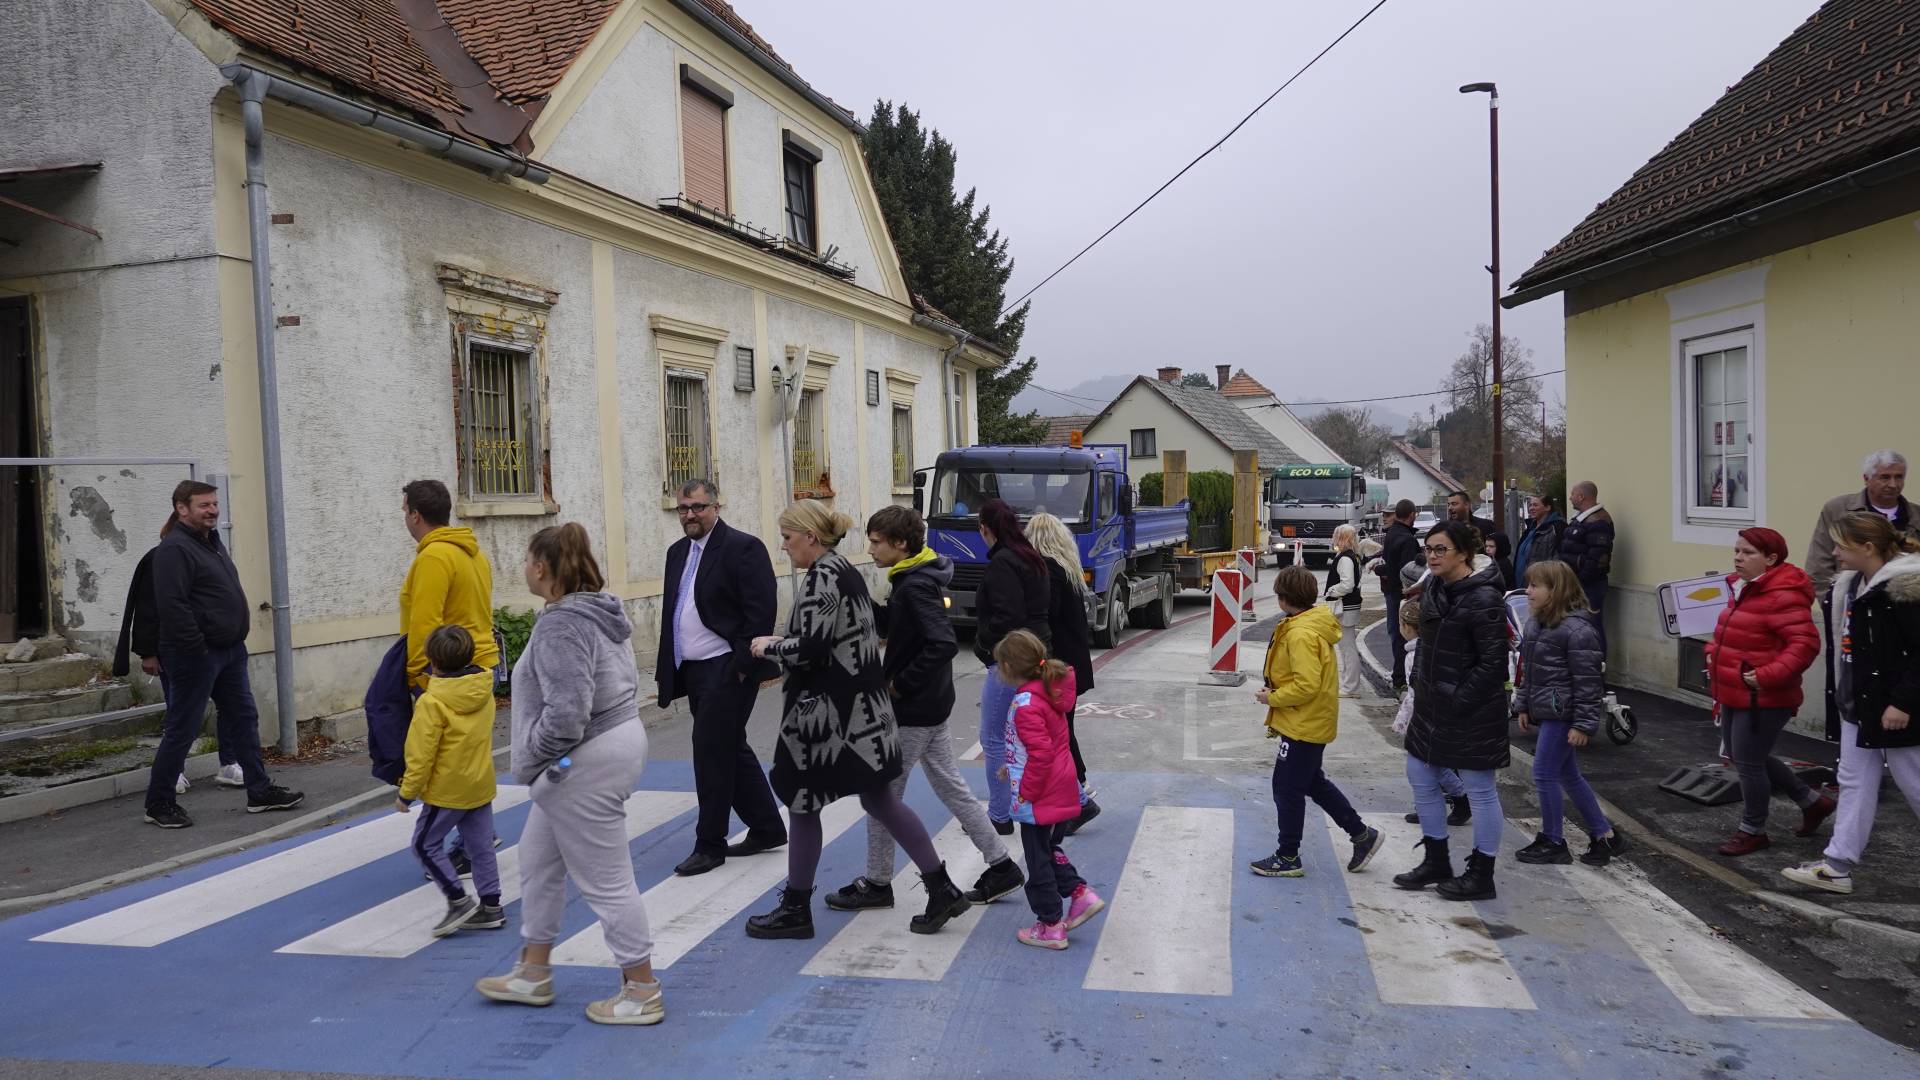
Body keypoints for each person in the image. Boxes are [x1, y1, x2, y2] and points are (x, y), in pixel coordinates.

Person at [744, 502, 971, 940]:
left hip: (827, 720)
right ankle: (941, 888)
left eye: (788, 537)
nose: (783, 545)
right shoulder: (843, 571)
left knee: (804, 803)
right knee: (879, 800)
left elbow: (812, 649)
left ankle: (796, 909)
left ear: (810, 536)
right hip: (863, 714)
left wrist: (770, 646)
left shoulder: (823, 577)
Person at [476, 523, 662, 1026]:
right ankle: (533, 971)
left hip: (583, 758)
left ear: (541, 568)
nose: (524, 568)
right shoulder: (599, 611)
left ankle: (642, 989)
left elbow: (568, 712)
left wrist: (532, 759)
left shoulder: (561, 624)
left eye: (527, 560)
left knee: (607, 879)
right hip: (612, 743)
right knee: (538, 859)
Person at [824, 506, 1024, 913]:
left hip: (913, 709)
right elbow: (898, 628)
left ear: (900, 544)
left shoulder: (914, 585)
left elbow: (942, 643)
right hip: (932, 704)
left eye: (876, 542)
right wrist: (862, 602)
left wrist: (900, 683)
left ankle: (878, 882)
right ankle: (1002, 865)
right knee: (951, 787)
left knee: (882, 797)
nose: (871, 549)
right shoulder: (914, 577)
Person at [141, 481, 302, 828]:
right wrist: (198, 649)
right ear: (181, 508)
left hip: (230, 652)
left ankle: (259, 791)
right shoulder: (174, 549)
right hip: (196, 655)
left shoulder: (211, 542)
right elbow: (173, 606)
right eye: (204, 505)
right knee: (183, 729)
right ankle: (159, 803)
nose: (213, 510)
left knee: (244, 717)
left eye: (214, 504)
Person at [1782, 513, 1920, 894]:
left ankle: (1837, 866)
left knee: (1915, 784)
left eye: (1841, 545)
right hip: (1859, 706)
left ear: (1868, 548)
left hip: (1897, 710)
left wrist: (1903, 703)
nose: (1834, 553)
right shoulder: (1851, 585)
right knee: (1853, 782)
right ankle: (1837, 867)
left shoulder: (1905, 590)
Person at [656, 479, 787, 878]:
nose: (690, 515)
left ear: (715, 507)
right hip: (693, 669)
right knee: (729, 746)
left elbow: (760, 610)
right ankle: (767, 827)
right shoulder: (677, 552)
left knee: (710, 750)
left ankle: (709, 844)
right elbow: (675, 610)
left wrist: (742, 666)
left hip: (727, 667)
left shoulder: (742, 547)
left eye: (698, 507)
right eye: (683, 508)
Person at [1394, 520, 1508, 900]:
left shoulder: (1485, 598)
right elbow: (1427, 643)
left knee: (1480, 789)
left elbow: (1494, 664)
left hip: (1472, 711)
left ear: (1463, 553)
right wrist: (1420, 684)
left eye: (1440, 549)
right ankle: (1436, 859)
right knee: (1419, 773)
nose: (1431, 556)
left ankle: (1482, 874)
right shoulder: (1435, 587)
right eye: (1428, 548)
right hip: (1431, 704)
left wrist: (1458, 699)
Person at [1702, 527, 1834, 857]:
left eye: (1748, 553)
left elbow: (1805, 645)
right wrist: (1713, 650)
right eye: (1737, 550)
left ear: (1771, 558)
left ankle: (1753, 831)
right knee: (1744, 756)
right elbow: (1732, 632)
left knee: (1748, 762)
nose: (1738, 558)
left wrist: (1765, 676)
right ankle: (1812, 801)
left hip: (1763, 696)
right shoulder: (1743, 587)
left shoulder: (1782, 594)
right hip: (1735, 689)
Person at [1249, 565, 1384, 879]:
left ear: (1283, 598)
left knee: (1286, 788)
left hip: (1304, 723)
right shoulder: (1308, 623)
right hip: (1309, 720)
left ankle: (1288, 855)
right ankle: (1362, 835)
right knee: (1311, 782)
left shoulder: (1300, 633)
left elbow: (1306, 685)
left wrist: (1273, 697)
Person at [398, 479, 500, 872]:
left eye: (405, 511)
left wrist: (417, 677)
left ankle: (463, 845)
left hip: (446, 672)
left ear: (415, 515)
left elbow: (425, 624)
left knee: (446, 765)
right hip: (481, 667)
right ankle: (478, 835)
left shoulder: (434, 557)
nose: (404, 518)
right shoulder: (472, 552)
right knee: (470, 759)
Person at [991, 629, 1105, 950]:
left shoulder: (1026, 704)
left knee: (1037, 859)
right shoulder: (1046, 692)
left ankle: (1050, 925)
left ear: (1009, 668)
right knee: (1048, 849)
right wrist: (1011, 765)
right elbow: (1046, 745)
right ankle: (1080, 894)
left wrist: (1026, 790)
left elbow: (1040, 754)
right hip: (1057, 787)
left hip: (1039, 796)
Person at [1511, 561, 1630, 867]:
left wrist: (1583, 725)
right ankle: (1605, 836)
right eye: (1528, 584)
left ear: (1556, 590)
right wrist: (1523, 705)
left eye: (1535, 586)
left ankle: (1553, 840)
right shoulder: (1535, 624)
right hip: (1548, 710)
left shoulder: (1578, 631)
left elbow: (1588, 683)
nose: (1528, 591)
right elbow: (1528, 671)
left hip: (1563, 714)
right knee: (1568, 774)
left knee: (1543, 773)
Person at [115, 512, 242, 795]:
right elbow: (148, 609)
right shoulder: (159, 559)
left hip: (216, 647)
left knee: (231, 706)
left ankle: (230, 763)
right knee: (181, 713)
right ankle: (173, 772)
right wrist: (148, 653)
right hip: (178, 651)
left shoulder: (211, 555)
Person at [395, 625, 505, 938]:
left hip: (447, 791)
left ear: (433, 662)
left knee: (424, 844)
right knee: (481, 848)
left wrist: (407, 793)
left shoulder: (431, 702)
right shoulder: (484, 691)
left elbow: (421, 754)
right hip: (479, 783)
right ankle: (491, 906)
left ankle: (458, 900)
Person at [1805, 451, 1917, 742]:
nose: (1893, 484)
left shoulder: (1915, 516)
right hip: (1851, 612)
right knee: (1852, 686)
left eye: (1899, 477)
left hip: (1898, 614)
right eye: (1885, 477)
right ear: (1866, 479)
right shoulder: (1839, 509)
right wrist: (1838, 606)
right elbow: (1819, 565)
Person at [973, 499, 1051, 835]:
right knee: (1032, 735)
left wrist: (983, 643)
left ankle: (999, 816)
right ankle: (1077, 799)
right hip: (1036, 653)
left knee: (993, 738)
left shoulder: (1003, 563)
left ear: (985, 529)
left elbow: (1008, 615)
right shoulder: (1031, 557)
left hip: (1009, 661)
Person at [1025, 511, 1102, 833]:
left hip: (1057, 666)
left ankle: (1079, 794)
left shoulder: (1047, 572)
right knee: (1062, 730)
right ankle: (1079, 792)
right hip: (1073, 663)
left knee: (1058, 733)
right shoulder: (1067, 569)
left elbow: (1047, 618)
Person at [1393, 599, 1472, 827]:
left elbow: (1415, 693)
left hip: (1424, 719)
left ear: (1407, 627)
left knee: (1423, 767)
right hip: (1436, 716)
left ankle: (1449, 801)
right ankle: (1451, 801)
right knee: (1431, 765)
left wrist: (1406, 721)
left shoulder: (1413, 655)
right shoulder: (1433, 648)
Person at [1559, 482, 1615, 651]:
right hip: (1575, 583)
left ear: (1581, 496)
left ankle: (1597, 663)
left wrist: (1579, 582)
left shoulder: (1599, 522)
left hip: (1588, 586)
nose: (1570, 498)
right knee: (1577, 626)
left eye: (1572, 494)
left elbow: (1597, 559)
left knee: (1591, 626)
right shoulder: (1581, 519)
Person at [1373, 500, 1423, 690]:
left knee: (1395, 631)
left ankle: (1398, 674)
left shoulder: (1392, 534)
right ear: (1412, 515)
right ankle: (1402, 678)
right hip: (1402, 594)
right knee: (1405, 635)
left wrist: (1382, 570)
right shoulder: (1407, 539)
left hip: (1390, 590)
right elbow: (1408, 570)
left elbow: (1390, 563)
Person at [1324, 525, 1366, 698]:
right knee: (1347, 647)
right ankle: (1350, 684)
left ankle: (1350, 687)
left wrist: (1330, 591)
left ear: (1342, 538)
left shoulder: (1345, 558)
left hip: (1345, 607)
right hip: (1350, 606)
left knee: (1347, 648)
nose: (1334, 539)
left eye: (1336, 536)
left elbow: (1347, 585)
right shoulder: (1353, 556)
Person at [1447, 490, 1511, 588]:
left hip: (1484, 576)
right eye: (1449, 504)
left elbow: (1499, 551)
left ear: (1467, 505)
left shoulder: (1486, 526)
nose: (1450, 508)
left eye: (1454, 504)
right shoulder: (1445, 530)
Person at [1512, 494, 1566, 586]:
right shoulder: (1530, 529)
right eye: (1530, 505)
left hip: (1542, 585)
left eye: (1535, 505)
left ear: (1547, 507)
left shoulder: (1557, 528)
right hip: (1524, 585)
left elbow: (1558, 559)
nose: (1531, 508)